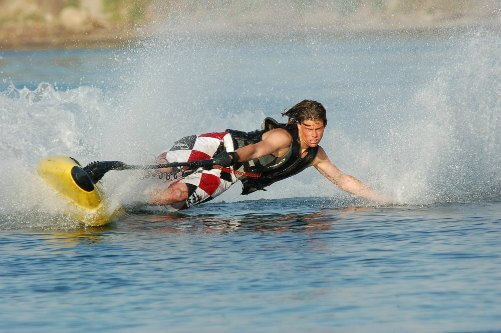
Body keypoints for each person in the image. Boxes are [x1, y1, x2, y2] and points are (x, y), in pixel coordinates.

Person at [150, 100, 391, 209]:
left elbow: (342, 180)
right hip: (218, 147)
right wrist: (232, 156)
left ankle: (132, 202)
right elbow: (256, 150)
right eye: (309, 129)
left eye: (319, 129)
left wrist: (385, 200)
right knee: (164, 169)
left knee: (177, 198)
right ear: (298, 125)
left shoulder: (316, 155)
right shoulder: (282, 138)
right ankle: (130, 184)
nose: (315, 135)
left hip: (229, 173)